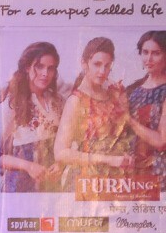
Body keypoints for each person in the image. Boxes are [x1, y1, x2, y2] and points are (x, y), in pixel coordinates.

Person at [54, 36, 135, 190]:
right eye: (97, 64)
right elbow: (60, 152)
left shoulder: (112, 95)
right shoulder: (76, 101)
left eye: (107, 66)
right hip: (85, 181)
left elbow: (122, 134)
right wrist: (107, 160)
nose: (102, 71)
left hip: (113, 180)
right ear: (84, 63)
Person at [0, 41, 63, 192]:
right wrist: (28, 166)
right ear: (27, 67)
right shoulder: (11, 103)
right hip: (19, 187)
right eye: (39, 66)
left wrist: (61, 164)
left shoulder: (58, 101)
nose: (45, 73)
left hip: (52, 186)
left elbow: (68, 143)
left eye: (50, 68)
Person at [126, 31, 166, 182]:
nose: (149, 59)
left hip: (159, 171)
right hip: (133, 170)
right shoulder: (133, 90)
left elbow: (162, 141)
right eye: (145, 52)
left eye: (156, 53)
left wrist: (128, 120)